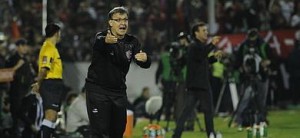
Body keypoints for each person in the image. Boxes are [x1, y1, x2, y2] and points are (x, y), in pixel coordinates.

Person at [85, 6, 151, 138]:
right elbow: (98, 43)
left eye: (125, 20)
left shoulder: (132, 42)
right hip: (98, 92)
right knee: (100, 133)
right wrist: (105, 41)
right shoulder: (102, 37)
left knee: (118, 132)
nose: (123, 23)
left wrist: (145, 59)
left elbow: (143, 63)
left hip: (118, 93)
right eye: (118, 20)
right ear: (110, 23)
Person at [172, 22, 222, 138]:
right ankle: (211, 134)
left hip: (195, 85)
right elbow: (202, 55)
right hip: (201, 85)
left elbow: (202, 61)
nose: (206, 32)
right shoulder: (194, 46)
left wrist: (214, 58)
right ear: (196, 33)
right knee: (208, 112)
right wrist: (212, 45)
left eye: (206, 30)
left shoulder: (197, 47)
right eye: (203, 30)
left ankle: (176, 135)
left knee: (186, 112)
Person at [233, 28, 273, 128]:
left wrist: (267, 62)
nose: (251, 41)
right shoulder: (243, 46)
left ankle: (261, 119)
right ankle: (239, 119)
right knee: (245, 98)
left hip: (261, 75)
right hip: (247, 77)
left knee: (261, 100)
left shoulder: (263, 45)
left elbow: (273, 58)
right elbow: (237, 61)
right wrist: (241, 68)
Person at [31, 23, 64, 138]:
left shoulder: (51, 48)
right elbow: (44, 69)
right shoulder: (49, 48)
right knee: (50, 115)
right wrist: (38, 83)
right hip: (50, 84)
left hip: (54, 84)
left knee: (53, 116)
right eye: (59, 33)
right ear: (56, 33)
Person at [5, 38, 34, 137]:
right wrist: (17, 66)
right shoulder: (12, 59)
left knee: (23, 112)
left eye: (26, 46)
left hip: (26, 91)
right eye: (23, 46)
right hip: (15, 91)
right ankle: (31, 127)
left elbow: (29, 75)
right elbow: (6, 74)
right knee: (16, 114)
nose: (25, 48)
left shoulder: (26, 59)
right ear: (18, 47)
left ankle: (25, 131)